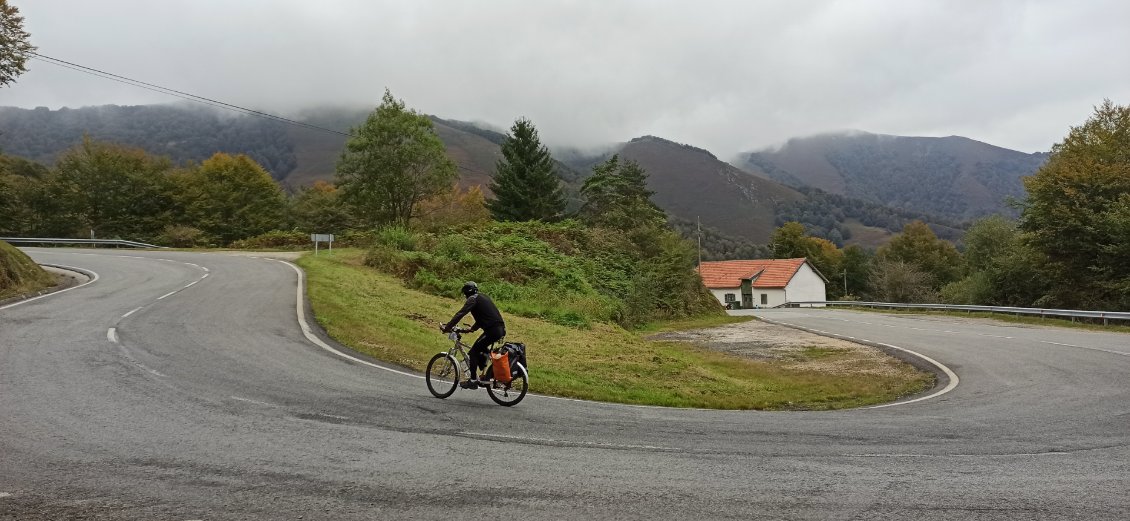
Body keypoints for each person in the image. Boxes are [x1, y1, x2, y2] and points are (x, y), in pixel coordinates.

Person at [441, 281, 506, 389]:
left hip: (492, 330)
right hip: (499, 329)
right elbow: (484, 317)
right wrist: (472, 329)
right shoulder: (483, 297)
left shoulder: (472, 299)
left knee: (474, 352)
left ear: (467, 292)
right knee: (480, 347)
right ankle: (484, 367)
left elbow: (461, 313)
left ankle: (473, 381)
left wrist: (447, 327)